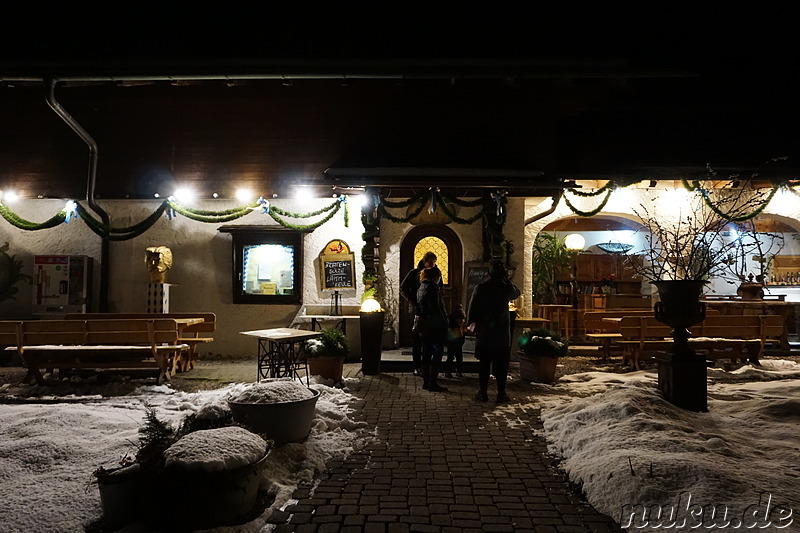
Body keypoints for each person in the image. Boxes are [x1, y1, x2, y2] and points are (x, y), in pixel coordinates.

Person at [467, 259, 521, 403]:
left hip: (485, 330)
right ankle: (501, 393)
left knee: (484, 363)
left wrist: (471, 324)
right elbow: (517, 292)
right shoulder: (506, 288)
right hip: (502, 332)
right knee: (502, 364)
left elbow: (473, 307)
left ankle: (482, 392)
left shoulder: (481, 287)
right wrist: (507, 280)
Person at [400, 251, 438, 376]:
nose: (432, 265)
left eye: (434, 262)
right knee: (417, 341)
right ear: (425, 261)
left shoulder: (435, 273)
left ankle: (427, 366)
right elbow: (403, 288)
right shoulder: (414, 273)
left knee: (429, 341)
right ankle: (417, 366)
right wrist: (413, 300)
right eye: (430, 262)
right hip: (417, 310)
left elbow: (439, 288)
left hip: (430, 311)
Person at [415, 265, 449, 392]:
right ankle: (432, 382)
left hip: (424, 324)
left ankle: (426, 382)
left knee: (426, 353)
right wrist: (444, 323)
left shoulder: (421, 287)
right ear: (437, 276)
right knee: (437, 353)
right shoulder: (433, 287)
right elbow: (436, 308)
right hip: (434, 325)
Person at [444, 303, 466, 378]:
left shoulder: (451, 322)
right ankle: (456, 371)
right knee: (457, 357)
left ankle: (449, 371)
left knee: (452, 357)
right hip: (455, 342)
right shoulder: (456, 325)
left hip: (453, 342)